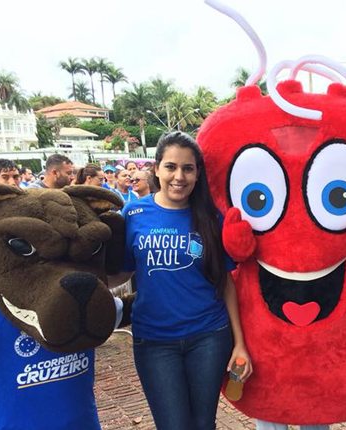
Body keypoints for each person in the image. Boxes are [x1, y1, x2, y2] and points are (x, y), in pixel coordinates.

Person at [117, 131, 251, 429]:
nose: (179, 176)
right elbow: (122, 271)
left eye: (188, 168)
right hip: (154, 341)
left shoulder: (210, 217)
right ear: (156, 169)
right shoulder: (134, 213)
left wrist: (240, 343)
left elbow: (226, 282)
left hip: (209, 337)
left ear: (197, 173)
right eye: (171, 167)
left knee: (203, 424)